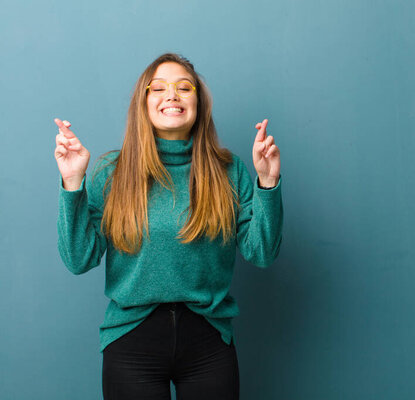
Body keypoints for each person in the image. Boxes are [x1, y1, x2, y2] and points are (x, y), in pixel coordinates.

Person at [54, 53, 282, 399]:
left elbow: (262, 253)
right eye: (158, 88)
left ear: (199, 104)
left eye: (184, 87)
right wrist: (73, 184)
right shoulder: (112, 171)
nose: (172, 95)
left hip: (209, 342)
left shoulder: (228, 170)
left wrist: (267, 183)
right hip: (131, 341)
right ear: (143, 104)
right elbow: (78, 259)